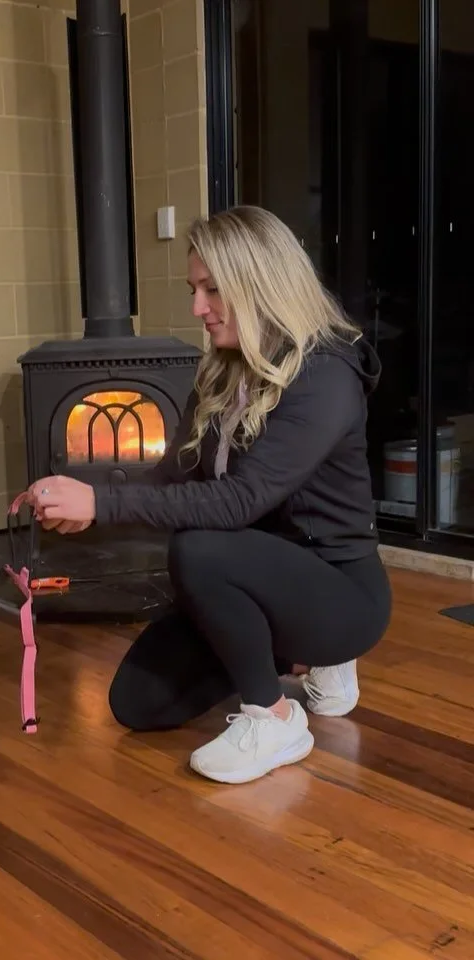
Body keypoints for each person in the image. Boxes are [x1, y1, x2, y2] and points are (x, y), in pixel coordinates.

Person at [26, 205, 392, 785]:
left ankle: (276, 715)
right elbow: (174, 482)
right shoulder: (222, 372)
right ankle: (281, 652)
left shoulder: (324, 377)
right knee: (137, 705)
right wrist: (87, 501)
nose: (198, 308)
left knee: (200, 548)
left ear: (261, 285)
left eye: (213, 289)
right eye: (195, 288)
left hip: (340, 593)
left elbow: (236, 503)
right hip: (258, 577)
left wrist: (103, 504)